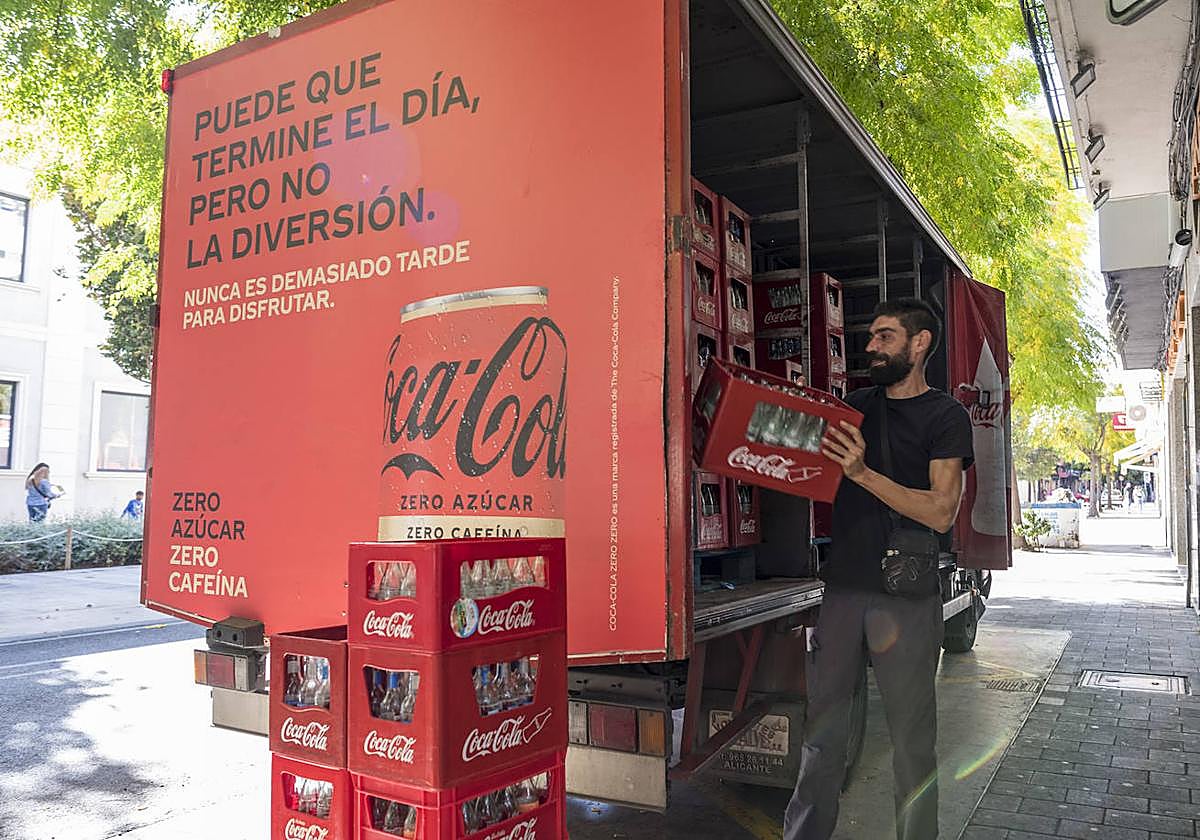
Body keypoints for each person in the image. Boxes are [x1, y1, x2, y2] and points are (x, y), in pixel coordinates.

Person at [784, 298, 973, 840]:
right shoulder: (855, 406)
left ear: (920, 344)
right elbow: (800, 458)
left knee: (913, 741)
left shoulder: (946, 416)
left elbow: (941, 510)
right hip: (843, 591)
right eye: (870, 337)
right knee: (822, 736)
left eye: (884, 337)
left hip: (906, 598)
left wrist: (863, 473)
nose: (871, 347)